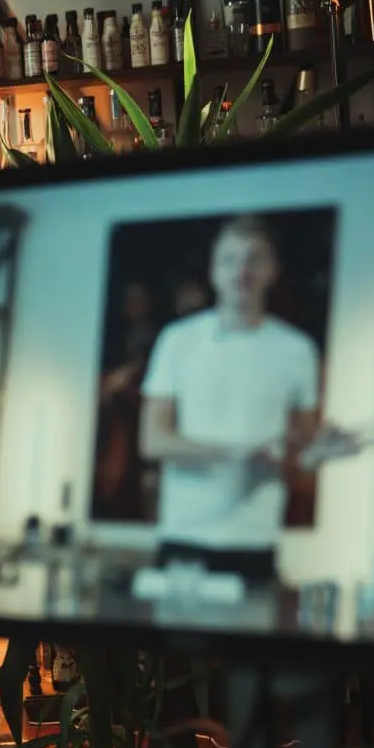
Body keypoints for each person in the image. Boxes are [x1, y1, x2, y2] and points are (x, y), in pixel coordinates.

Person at [139, 214, 350, 584]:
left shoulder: (297, 350)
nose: (241, 270)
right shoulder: (178, 341)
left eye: (254, 259)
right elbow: (153, 440)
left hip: (256, 539)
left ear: (272, 271)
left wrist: (323, 451)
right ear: (213, 271)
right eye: (229, 260)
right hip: (185, 536)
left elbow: (299, 453)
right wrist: (233, 451)